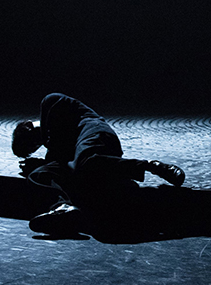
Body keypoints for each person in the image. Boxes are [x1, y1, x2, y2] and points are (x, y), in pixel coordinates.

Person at [12, 93, 186, 236]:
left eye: (33, 144)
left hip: (94, 134)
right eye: (34, 147)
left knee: (85, 163)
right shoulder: (53, 142)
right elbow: (61, 160)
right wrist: (40, 166)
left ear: (29, 129)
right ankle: (62, 207)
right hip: (87, 155)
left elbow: (57, 147)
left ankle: (151, 165)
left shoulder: (50, 102)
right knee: (38, 175)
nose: (39, 145)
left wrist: (46, 156)